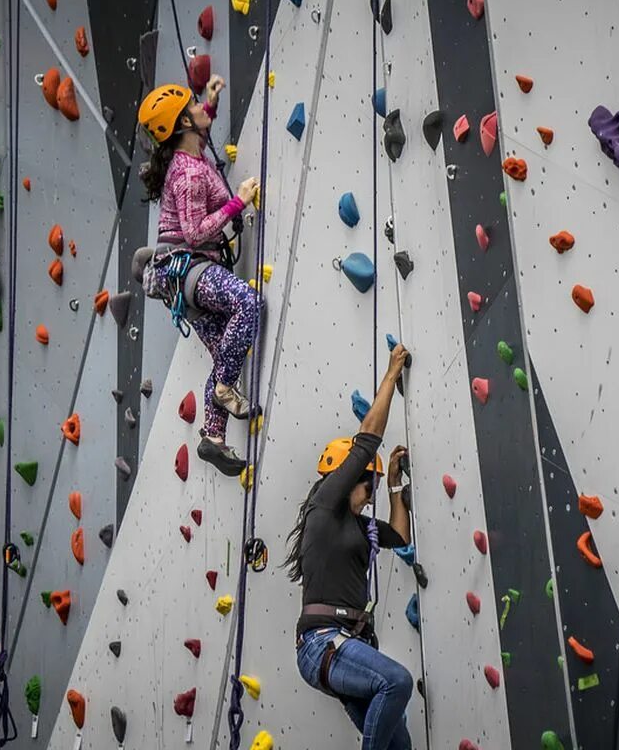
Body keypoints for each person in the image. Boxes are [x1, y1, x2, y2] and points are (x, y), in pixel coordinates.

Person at [285, 344, 415, 750]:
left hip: (346, 644)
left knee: (399, 745)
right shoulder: (325, 507)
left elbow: (399, 537)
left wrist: (393, 481)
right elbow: (366, 443)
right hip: (322, 643)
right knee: (397, 682)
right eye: (367, 483)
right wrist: (393, 373)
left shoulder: (358, 527)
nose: (370, 490)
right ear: (341, 479)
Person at [136, 75, 260, 477]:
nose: (198, 110)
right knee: (249, 302)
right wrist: (238, 202)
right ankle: (224, 389)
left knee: (229, 346)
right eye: (192, 107)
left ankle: (213, 436)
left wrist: (210, 101)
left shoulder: (190, 153)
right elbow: (193, 233)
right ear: (183, 126)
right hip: (190, 268)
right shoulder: (188, 172)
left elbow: (197, 129)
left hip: (182, 281)